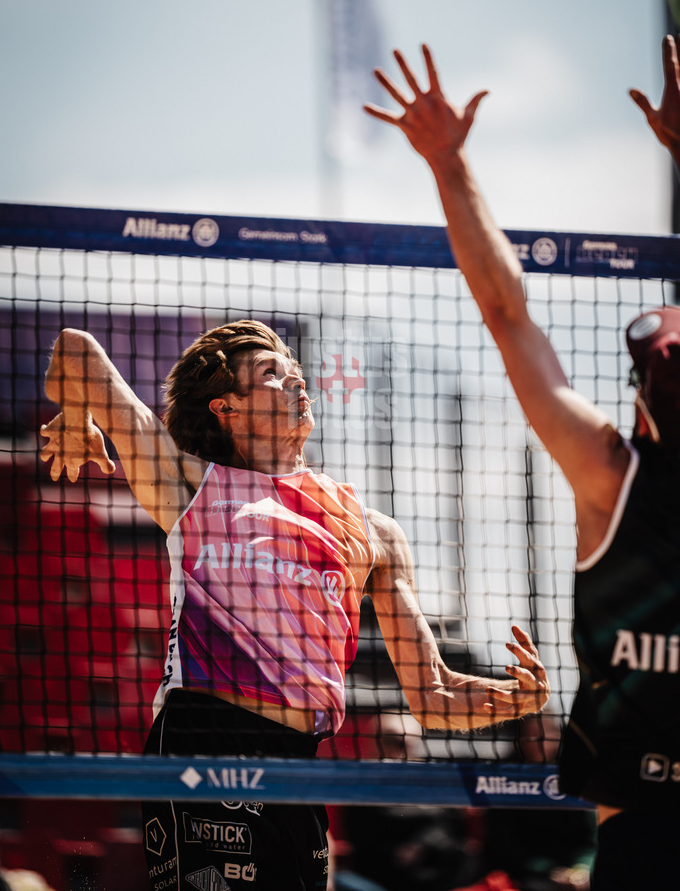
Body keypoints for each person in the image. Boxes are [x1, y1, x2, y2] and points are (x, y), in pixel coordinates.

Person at [40, 319, 549, 891]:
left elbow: (434, 700)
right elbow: (75, 350)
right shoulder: (191, 483)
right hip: (206, 743)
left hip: (298, 763)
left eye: (295, 372)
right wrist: (80, 416)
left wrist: (516, 702)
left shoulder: (372, 531)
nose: (296, 381)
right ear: (225, 408)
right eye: (270, 374)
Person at [364, 35, 680, 891]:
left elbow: (506, 316)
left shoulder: (609, 474)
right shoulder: (614, 479)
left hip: (643, 834)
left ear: (641, 393)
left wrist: (447, 165)